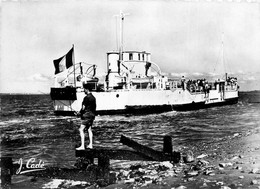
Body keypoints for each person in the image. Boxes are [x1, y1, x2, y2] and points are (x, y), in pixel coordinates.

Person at [76, 84, 96, 150]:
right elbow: (94, 107)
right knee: (89, 129)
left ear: (87, 89)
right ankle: (90, 145)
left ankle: (82, 146)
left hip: (86, 116)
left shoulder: (86, 98)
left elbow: (83, 108)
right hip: (92, 116)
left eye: (84, 89)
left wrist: (79, 113)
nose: (83, 90)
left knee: (81, 129)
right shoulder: (93, 98)